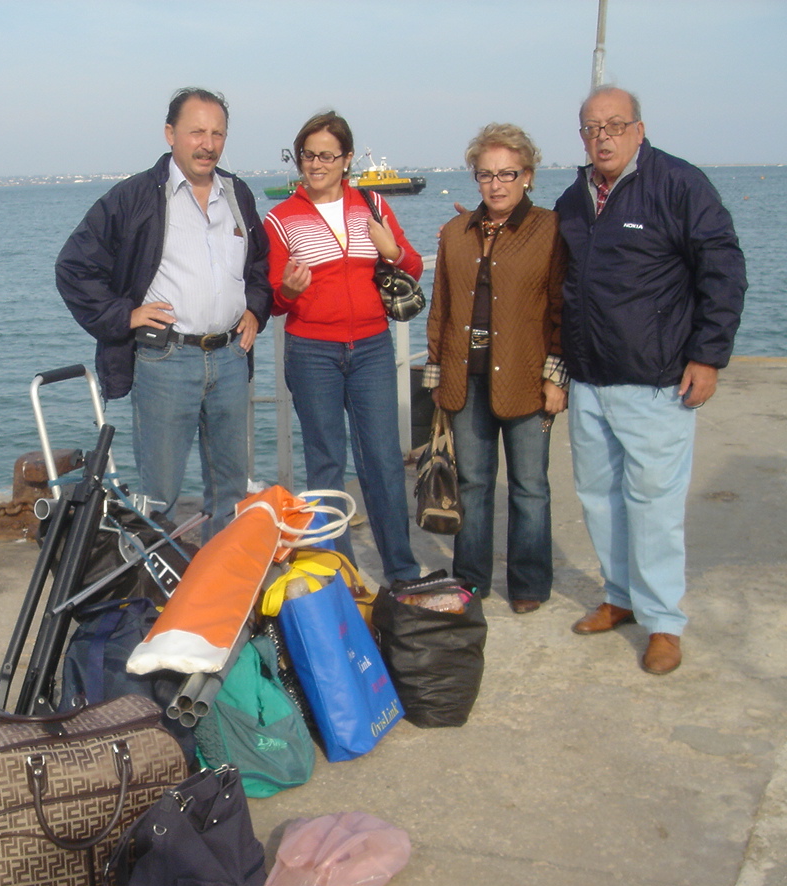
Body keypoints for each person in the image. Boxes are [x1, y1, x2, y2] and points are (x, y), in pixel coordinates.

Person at [554, 86, 745, 674]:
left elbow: (723, 269)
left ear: (639, 129)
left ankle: (664, 622)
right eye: (592, 128)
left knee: (654, 507)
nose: (603, 137)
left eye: (615, 125)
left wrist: (708, 356)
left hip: (657, 382)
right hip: (590, 379)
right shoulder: (573, 199)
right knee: (599, 498)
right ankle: (620, 597)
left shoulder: (679, 184)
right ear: (581, 136)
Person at [55, 88, 271, 542]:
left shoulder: (237, 193)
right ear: (170, 134)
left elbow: (259, 263)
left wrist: (255, 307)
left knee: (231, 489)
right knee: (159, 495)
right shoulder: (134, 197)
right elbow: (74, 267)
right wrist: (124, 315)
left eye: (217, 134)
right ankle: (153, 579)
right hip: (166, 361)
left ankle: (219, 578)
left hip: (231, 357)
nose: (207, 144)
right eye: (196, 132)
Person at [264, 111, 422, 584]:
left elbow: (412, 266)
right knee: (326, 463)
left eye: (327, 156)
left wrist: (391, 250)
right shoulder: (280, 219)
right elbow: (273, 300)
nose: (316, 164)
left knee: (383, 459)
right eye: (307, 155)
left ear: (347, 158)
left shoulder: (373, 204)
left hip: (372, 347)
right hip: (312, 353)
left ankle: (402, 571)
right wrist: (287, 290)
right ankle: (339, 573)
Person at [423, 123, 567, 614]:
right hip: (467, 378)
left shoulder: (550, 229)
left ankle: (528, 583)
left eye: (507, 173)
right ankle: (471, 581)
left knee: (530, 487)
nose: (496, 184)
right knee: (473, 484)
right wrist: (436, 375)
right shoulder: (455, 233)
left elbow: (561, 308)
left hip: (526, 378)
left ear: (527, 175)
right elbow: (441, 309)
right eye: (486, 174)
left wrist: (556, 377)